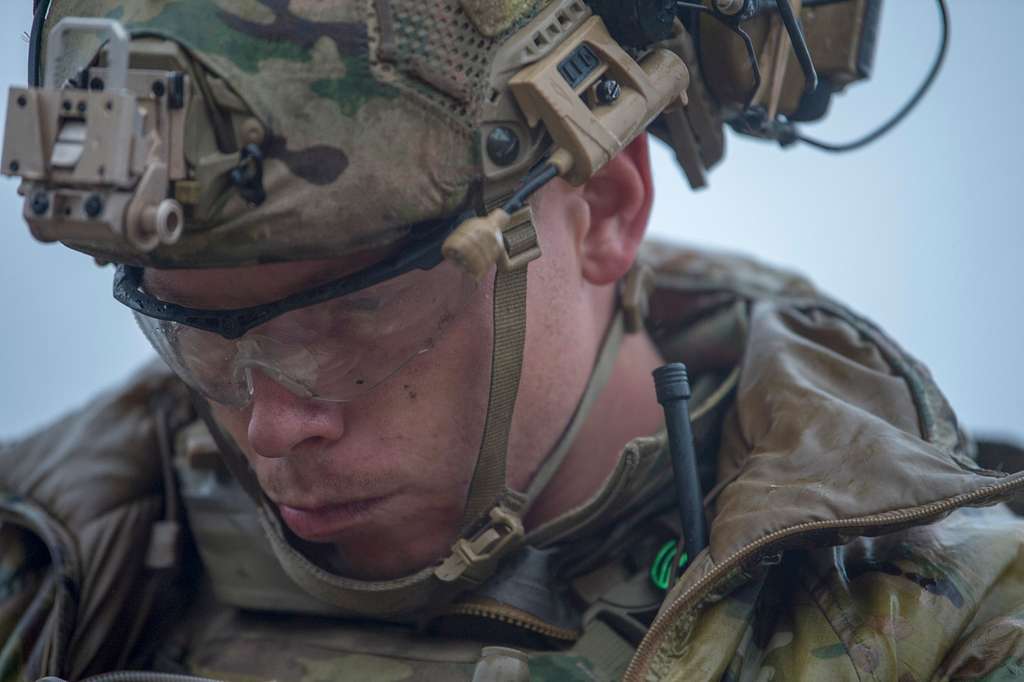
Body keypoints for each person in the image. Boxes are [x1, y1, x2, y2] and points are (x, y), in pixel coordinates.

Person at [2, 1, 1024, 680]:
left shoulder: (949, 628)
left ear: (606, 213)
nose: (274, 426)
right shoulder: (44, 558)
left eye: (355, 319)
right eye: (198, 332)